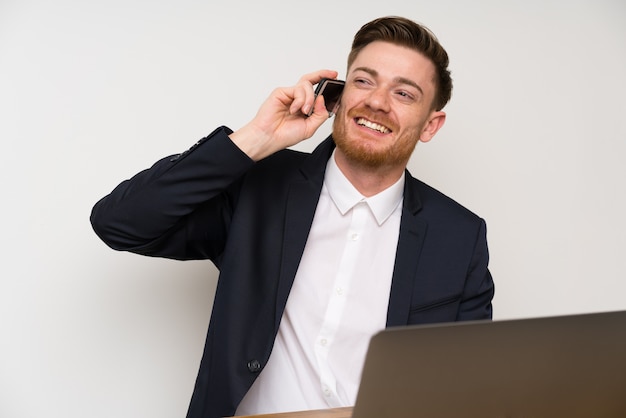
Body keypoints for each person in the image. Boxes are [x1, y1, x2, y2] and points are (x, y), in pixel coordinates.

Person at [90, 16, 494, 418]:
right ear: (337, 94)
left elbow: (465, 390)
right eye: (364, 81)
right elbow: (120, 223)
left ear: (431, 124)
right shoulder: (259, 187)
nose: (376, 102)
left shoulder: (460, 237)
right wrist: (253, 139)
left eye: (404, 94)